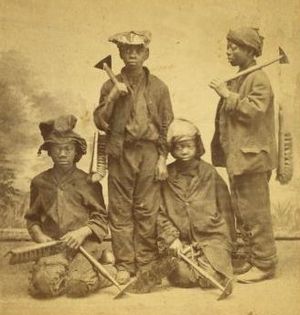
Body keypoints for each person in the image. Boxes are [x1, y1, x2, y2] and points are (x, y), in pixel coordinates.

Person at [93, 31, 174, 284]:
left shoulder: (159, 87)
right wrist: (114, 96)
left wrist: (162, 158)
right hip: (120, 151)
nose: (132, 54)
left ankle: (147, 262)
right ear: (119, 54)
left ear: (146, 53)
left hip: (149, 152)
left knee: (147, 209)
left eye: (138, 50)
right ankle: (125, 264)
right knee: (120, 210)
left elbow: (166, 125)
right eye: (127, 50)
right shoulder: (109, 85)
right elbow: (100, 121)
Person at [209, 27, 277, 283]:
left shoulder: (258, 79)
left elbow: (255, 112)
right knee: (242, 210)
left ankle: (266, 263)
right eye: (227, 46)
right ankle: (252, 257)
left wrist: (227, 94)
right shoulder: (241, 77)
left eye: (233, 47)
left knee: (255, 212)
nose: (228, 51)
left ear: (249, 50)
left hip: (252, 159)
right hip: (238, 158)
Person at [25, 114, 115, 298]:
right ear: (49, 151)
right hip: (54, 246)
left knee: (77, 287)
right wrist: (40, 237)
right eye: (57, 149)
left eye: (68, 148)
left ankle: (105, 270)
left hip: (85, 245)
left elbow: (101, 219)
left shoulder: (88, 182)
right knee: (43, 288)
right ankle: (53, 272)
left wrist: (82, 232)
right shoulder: (39, 182)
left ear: (77, 152)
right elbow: (32, 220)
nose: (63, 153)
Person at [156, 119, 234, 291]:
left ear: (197, 146)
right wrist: (172, 238)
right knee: (182, 278)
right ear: (172, 150)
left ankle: (208, 265)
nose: (184, 151)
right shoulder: (166, 176)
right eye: (179, 147)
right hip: (181, 242)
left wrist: (230, 241)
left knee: (212, 277)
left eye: (189, 146)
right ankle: (192, 263)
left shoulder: (209, 173)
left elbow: (226, 209)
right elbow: (159, 212)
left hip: (212, 237)